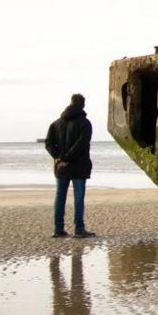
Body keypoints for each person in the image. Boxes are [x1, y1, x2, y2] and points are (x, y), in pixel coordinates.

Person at [45, 93, 95, 238]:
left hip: (61, 167)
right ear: (83, 105)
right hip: (78, 166)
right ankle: (79, 229)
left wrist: (58, 158)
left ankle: (58, 229)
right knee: (78, 198)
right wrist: (66, 158)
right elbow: (81, 144)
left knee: (60, 197)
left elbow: (48, 143)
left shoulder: (56, 123)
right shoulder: (85, 123)